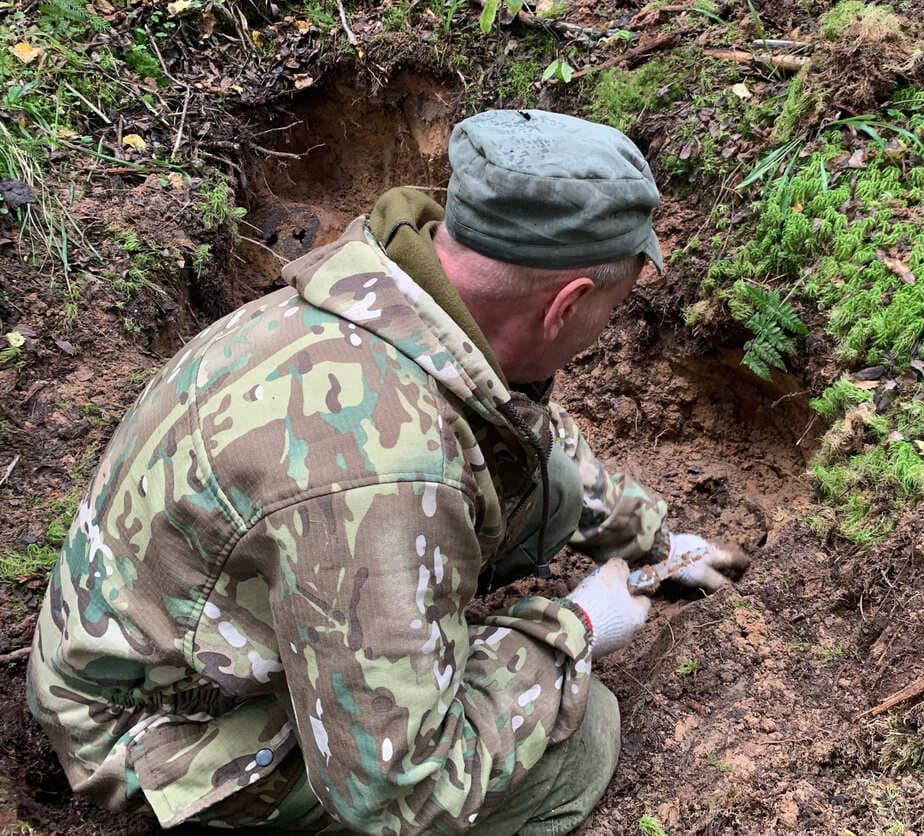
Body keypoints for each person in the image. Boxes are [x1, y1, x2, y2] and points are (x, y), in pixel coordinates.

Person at [26, 109, 744, 834]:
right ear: (567, 306)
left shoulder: (387, 293)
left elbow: (522, 431)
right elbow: (401, 793)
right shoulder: (387, 478)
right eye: (610, 312)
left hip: (178, 624)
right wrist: (574, 630)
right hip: (165, 733)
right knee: (579, 744)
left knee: (545, 489)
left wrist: (650, 538)